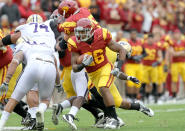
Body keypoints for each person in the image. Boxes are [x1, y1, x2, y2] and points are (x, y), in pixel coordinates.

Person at [69, 18, 154, 129]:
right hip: (92, 75)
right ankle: (139, 106)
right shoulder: (75, 42)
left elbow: (121, 51)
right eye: (78, 32)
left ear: (90, 31)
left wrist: (119, 69)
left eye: (82, 32)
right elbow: (75, 68)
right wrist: (83, 65)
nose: (80, 35)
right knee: (119, 103)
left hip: (105, 68)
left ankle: (113, 119)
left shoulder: (103, 38)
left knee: (103, 88)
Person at [0, 14, 61, 131]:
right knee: (45, 99)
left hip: (32, 64)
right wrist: (58, 84)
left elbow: (15, 59)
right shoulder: (49, 34)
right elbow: (54, 59)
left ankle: (1, 124)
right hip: (49, 64)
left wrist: (6, 81)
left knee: (14, 98)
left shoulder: (25, 39)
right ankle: (40, 112)